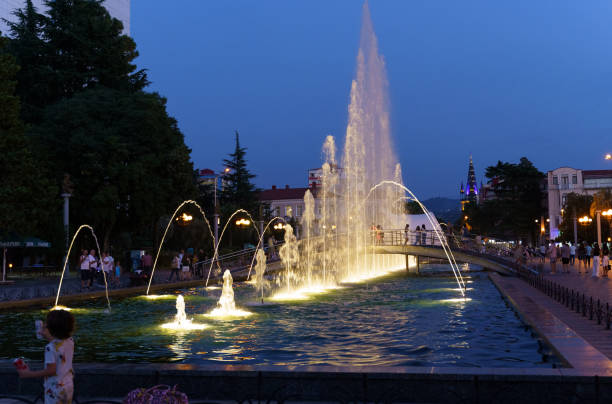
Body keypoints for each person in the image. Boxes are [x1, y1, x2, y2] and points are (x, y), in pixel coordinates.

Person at [17, 309, 75, 404]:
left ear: (51, 329)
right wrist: (47, 334)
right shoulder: (70, 341)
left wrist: (28, 374)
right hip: (68, 385)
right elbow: (58, 344)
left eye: (46, 324)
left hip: (54, 389)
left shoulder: (49, 348)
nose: (44, 325)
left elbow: (51, 371)